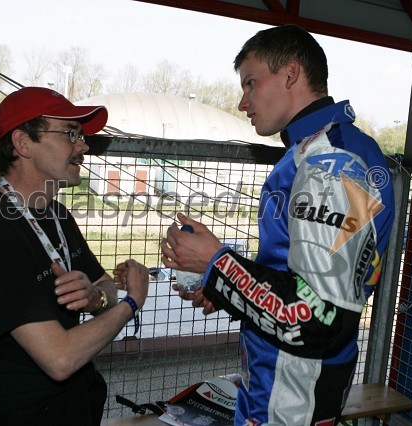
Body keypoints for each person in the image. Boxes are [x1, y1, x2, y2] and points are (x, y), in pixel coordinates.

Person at [162, 25, 394, 425]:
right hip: (284, 385)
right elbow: (297, 280)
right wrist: (226, 288)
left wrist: (218, 263)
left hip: (292, 398)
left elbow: (316, 317)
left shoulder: (328, 163)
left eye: (251, 83)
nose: (242, 102)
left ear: (290, 74)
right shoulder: (320, 150)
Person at [0, 86, 149, 426]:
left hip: (69, 406)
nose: (83, 146)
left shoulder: (55, 214)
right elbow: (60, 358)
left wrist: (96, 298)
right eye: (70, 133)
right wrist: (133, 302)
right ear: (24, 144)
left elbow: (104, 287)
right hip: (12, 416)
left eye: (81, 135)